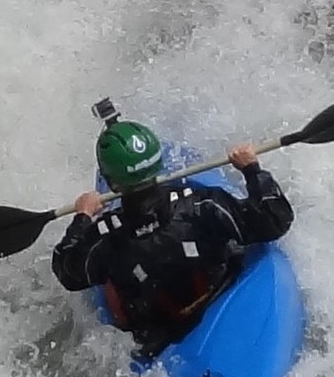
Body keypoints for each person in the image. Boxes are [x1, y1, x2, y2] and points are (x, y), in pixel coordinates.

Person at [51, 108, 294, 360]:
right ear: (158, 163)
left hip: (160, 331)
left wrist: (82, 216)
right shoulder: (202, 205)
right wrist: (251, 168)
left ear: (112, 183)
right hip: (218, 293)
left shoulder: (105, 238)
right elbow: (275, 220)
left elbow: (67, 271)